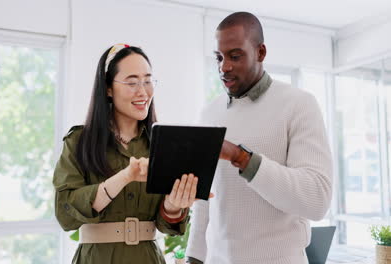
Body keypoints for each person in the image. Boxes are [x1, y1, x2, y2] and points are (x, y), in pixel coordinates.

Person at [186, 12, 333, 264]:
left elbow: (317, 200)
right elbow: (205, 199)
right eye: (219, 58)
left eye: (235, 56)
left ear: (261, 53)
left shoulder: (299, 105)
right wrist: (194, 257)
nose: (224, 67)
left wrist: (242, 158)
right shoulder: (209, 113)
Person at [53, 44, 199, 264]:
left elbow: (166, 225)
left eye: (148, 81)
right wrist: (125, 177)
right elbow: (66, 214)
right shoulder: (79, 141)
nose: (143, 91)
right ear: (108, 88)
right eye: (132, 82)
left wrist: (174, 204)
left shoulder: (163, 145)